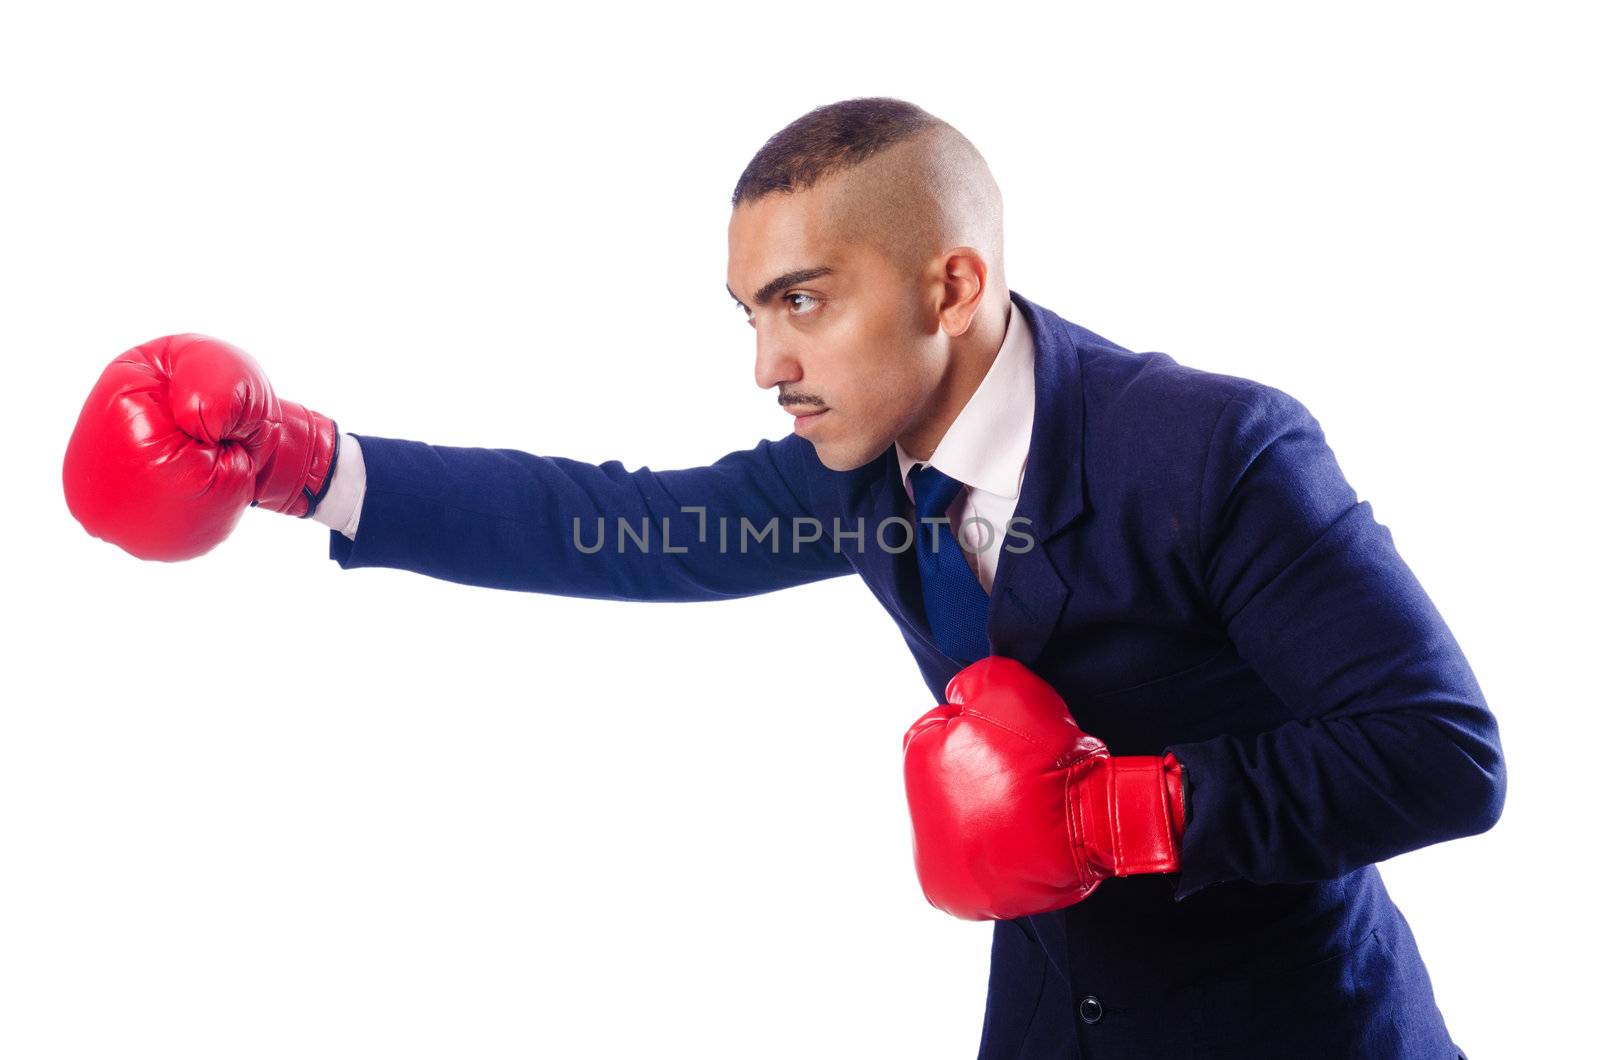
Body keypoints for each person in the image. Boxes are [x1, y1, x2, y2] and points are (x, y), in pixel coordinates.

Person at [62, 97, 1504, 1058]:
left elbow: (1443, 754)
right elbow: (622, 529)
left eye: (804, 303)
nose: (768, 366)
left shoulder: (1211, 450)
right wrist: (307, 465)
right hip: (1057, 1019)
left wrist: (1116, 809)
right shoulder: (862, 471)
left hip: (1300, 1030)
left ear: (950, 287)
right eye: (753, 314)